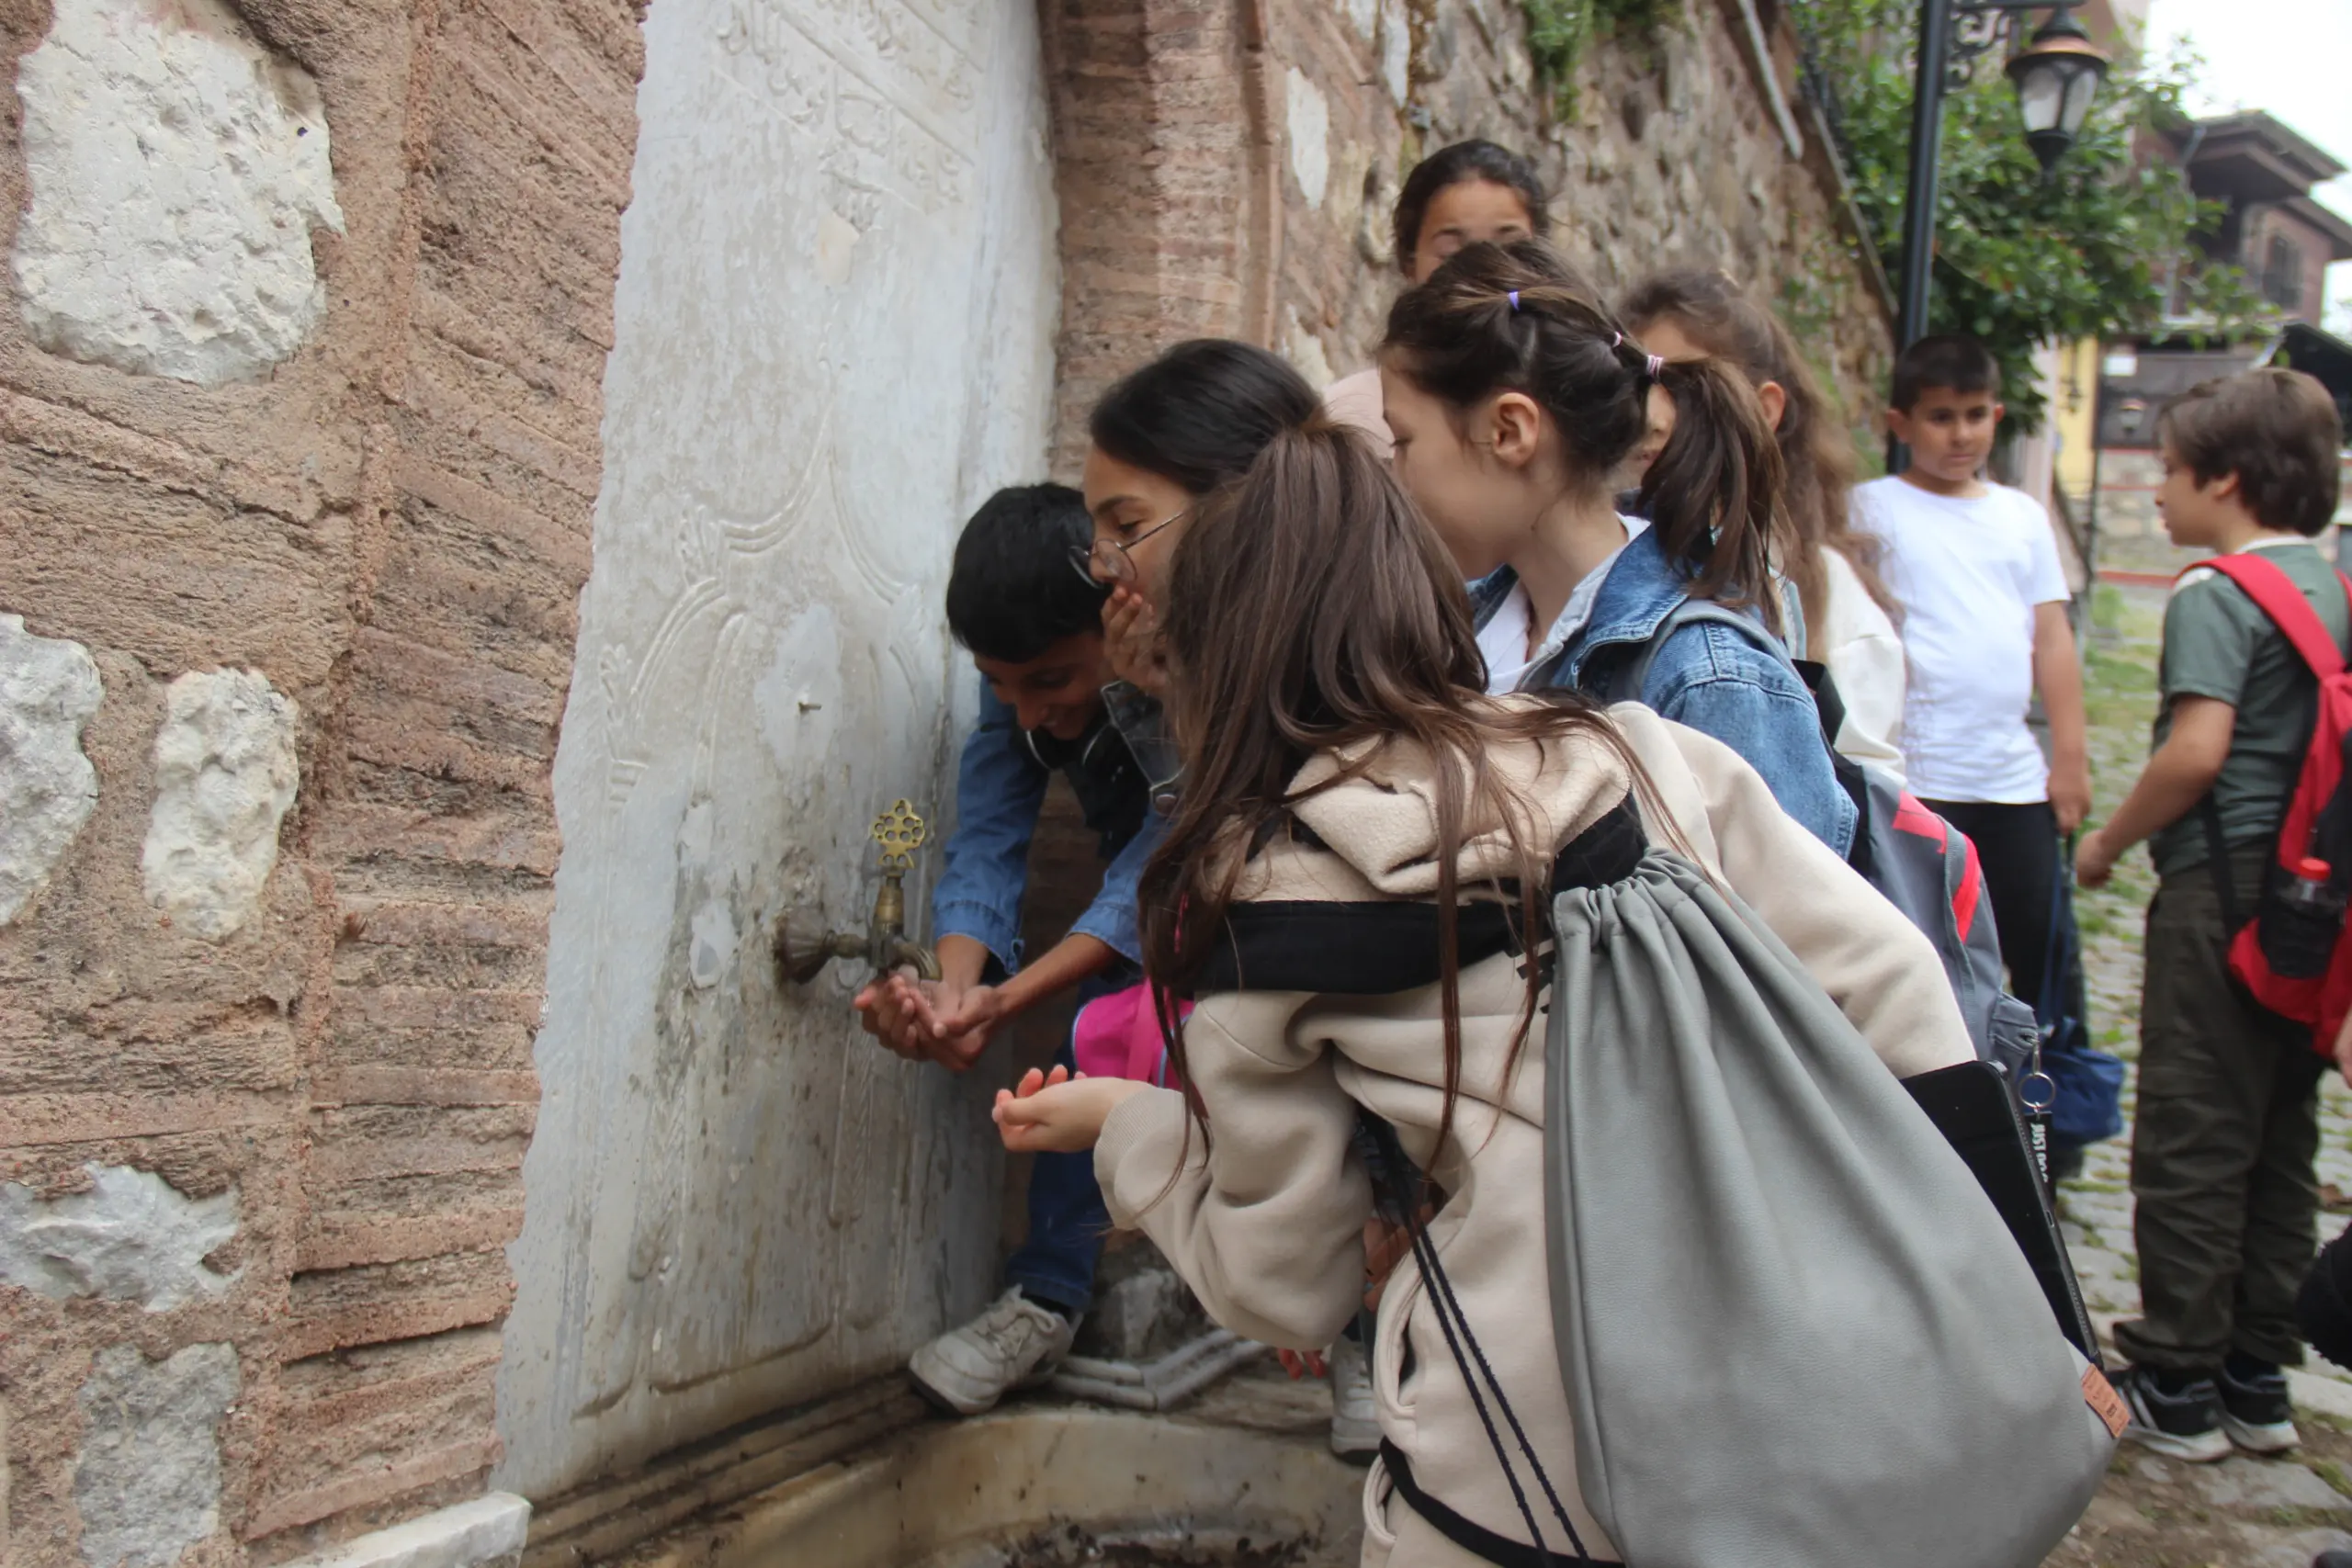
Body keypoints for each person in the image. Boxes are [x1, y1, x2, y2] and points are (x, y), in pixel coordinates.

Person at [989, 420, 1977, 1565]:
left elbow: (1286, 1280)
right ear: (1434, 601)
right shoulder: (1636, 754)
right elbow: (1890, 976)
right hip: (1791, 1396)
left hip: (1512, 1477)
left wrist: (1127, 1129)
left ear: (1211, 662)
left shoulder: (1263, 903)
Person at [2075, 368, 2348, 1462]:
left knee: (2193, 1132)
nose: (2156, 492)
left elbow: (2195, 752)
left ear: (2227, 481)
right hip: (2314, 903)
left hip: (2218, 897)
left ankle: (2175, 1378)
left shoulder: (2212, 592)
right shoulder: (2336, 584)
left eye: (2172, 472)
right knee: (2283, 1133)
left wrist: (2105, 844)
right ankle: (2256, 1376)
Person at [1379, 238, 1859, 855]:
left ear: (1509, 431)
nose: (1394, 473)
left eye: (1404, 440)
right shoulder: (1451, 628)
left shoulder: (1704, 677)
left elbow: (1784, 933)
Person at [852, 484, 1158, 1416]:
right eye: (1000, 684)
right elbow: (985, 835)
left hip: (1252, 883)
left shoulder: (1191, 671)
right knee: (1097, 1040)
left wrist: (1010, 996)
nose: (1025, 714)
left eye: (1052, 683)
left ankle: (1355, 1325)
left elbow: (1159, 870)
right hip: (1150, 886)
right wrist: (955, 987)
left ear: (1120, 624)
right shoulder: (1018, 692)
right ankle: (1048, 1300)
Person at [1853, 333, 2095, 1156]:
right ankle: (1931, 1109)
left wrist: (2070, 755)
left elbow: (2051, 640)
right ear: (1902, 422)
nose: (1960, 435)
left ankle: (2047, 1114)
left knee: (2037, 945)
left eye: (1976, 417)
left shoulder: (2022, 518)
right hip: (1922, 780)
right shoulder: (1871, 508)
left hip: (2011, 781)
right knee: (1925, 947)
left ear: (1998, 414)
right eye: (1941, 418)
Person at [1621, 267, 1908, 778]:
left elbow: (1860, 812)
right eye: (1636, 383)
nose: (1651, 415)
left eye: (1681, 385)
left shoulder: (1831, 603)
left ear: (1764, 408)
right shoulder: (1599, 563)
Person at [1324, 140, 1550, 457]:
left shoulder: (1573, 407)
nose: (1483, 273)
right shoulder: (1351, 422)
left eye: (1511, 249)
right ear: (1409, 262)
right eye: (1451, 254)